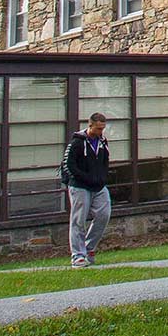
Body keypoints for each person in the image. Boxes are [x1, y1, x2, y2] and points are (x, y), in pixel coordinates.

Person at [61, 111, 112, 268]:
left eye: (102, 128)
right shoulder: (77, 143)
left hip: (98, 186)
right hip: (80, 186)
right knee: (78, 220)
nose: (100, 132)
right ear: (90, 126)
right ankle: (78, 255)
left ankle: (89, 248)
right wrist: (84, 178)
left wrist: (102, 178)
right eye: (98, 128)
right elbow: (68, 165)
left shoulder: (102, 143)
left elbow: (105, 162)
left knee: (104, 215)